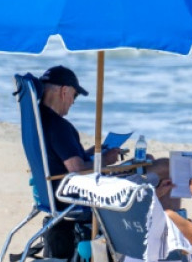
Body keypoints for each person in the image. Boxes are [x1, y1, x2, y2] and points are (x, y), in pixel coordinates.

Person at [37, 65, 170, 183]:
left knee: (147, 159)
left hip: (65, 187)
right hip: (88, 193)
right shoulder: (58, 126)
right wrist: (106, 159)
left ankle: (164, 211)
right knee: (166, 166)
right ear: (64, 91)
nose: (73, 102)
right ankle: (171, 212)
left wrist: (91, 153)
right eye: (75, 95)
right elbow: (77, 170)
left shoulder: (41, 119)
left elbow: (62, 159)